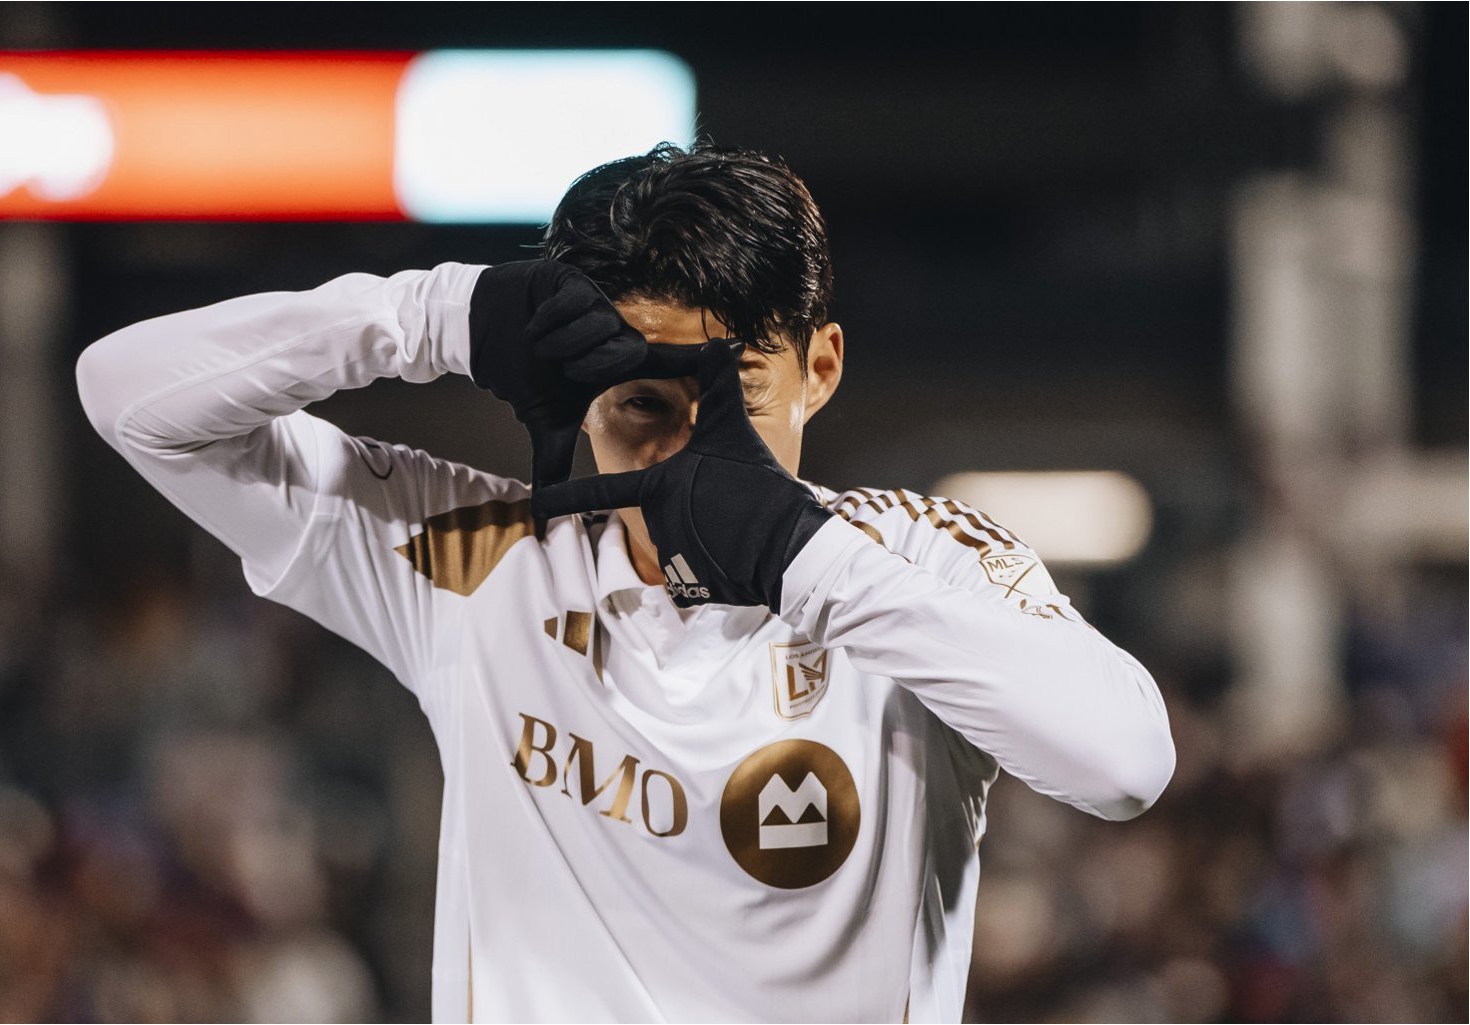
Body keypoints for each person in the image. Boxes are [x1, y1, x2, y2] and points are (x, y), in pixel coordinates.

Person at [77, 142, 1175, 1023]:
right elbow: (128, 397)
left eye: (736, 400)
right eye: (643, 403)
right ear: (575, 394)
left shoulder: (915, 560)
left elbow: (1125, 762)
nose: (691, 456)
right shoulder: (480, 561)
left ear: (821, 367)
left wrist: (800, 555)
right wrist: (432, 316)